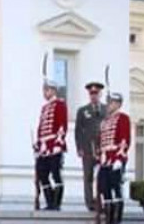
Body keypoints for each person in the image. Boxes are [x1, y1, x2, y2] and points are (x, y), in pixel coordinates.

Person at [97, 91, 131, 224]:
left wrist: (119, 158)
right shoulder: (105, 122)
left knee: (116, 188)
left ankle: (117, 220)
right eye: (109, 102)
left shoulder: (123, 118)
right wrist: (100, 155)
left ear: (118, 104)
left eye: (111, 102)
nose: (109, 105)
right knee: (104, 189)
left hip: (116, 157)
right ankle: (109, 219)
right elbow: (101, 141)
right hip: (105, 159)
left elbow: (124, 140)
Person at [35, 77, 68, 211]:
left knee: (55, 174)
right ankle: (49, 201)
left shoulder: (60, 104)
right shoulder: (44, 108)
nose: (45, 93)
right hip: (44, 146)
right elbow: (41, 127)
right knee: (42, 174)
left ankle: (56, 203)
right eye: (44, 90)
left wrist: (58, 142)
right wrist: (38, 144)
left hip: (54, 145)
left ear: (53, 91)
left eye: (47, 90)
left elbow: (62, 124)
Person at [75, 81, 107, 211]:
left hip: (103, 148)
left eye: (96, 93)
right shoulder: (83, 111)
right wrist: (79, 147)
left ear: (100, 94)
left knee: (103, 175)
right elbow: (78, 130)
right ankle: (90, 202)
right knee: (88, 175)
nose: (94, 96)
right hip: (88, 148)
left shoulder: (106, 109)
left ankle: (103, 201)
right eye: (91, 93)